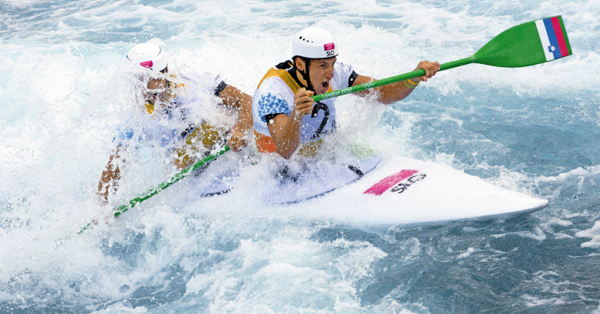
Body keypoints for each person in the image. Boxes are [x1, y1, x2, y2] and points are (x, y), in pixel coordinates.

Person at [97, 42, 253, 204]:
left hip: (237, 147)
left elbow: (246, 101)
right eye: (139, 82)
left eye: (152, 80)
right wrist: (102, 207)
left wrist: (240, 130)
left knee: (222, 115)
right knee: (178, 160)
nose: (147, 89)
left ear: (165, 72)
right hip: (200, 173)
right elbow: (115, 166)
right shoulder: (136, 118)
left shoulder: (194, 82)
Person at [252, 27, 440, 159]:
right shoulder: (273, 92)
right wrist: (297, 115)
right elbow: (284, 151)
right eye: (323, 65)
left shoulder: (336, 72)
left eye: (333, 63)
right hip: (277, 166)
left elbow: (382, 94)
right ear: (300, 65)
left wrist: (412, 79)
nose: (331, 73)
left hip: (325, 155)